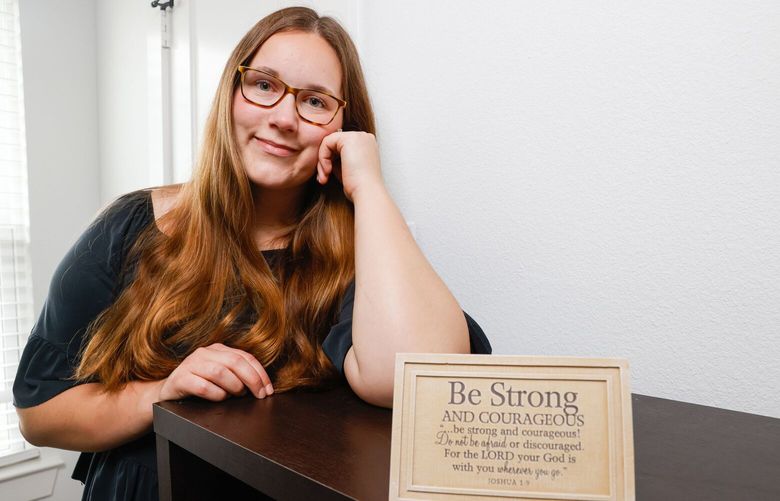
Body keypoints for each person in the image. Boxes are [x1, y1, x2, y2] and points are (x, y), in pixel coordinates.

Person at [13, 6, 491, 500]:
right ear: (231, 94)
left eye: (315, 101)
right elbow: (40, 414)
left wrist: (369, 185)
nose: (284, 118)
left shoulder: (361, 255)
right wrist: (161, 392)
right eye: (264, 85)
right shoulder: (130, 225)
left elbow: (416, 380)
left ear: (344, 127)